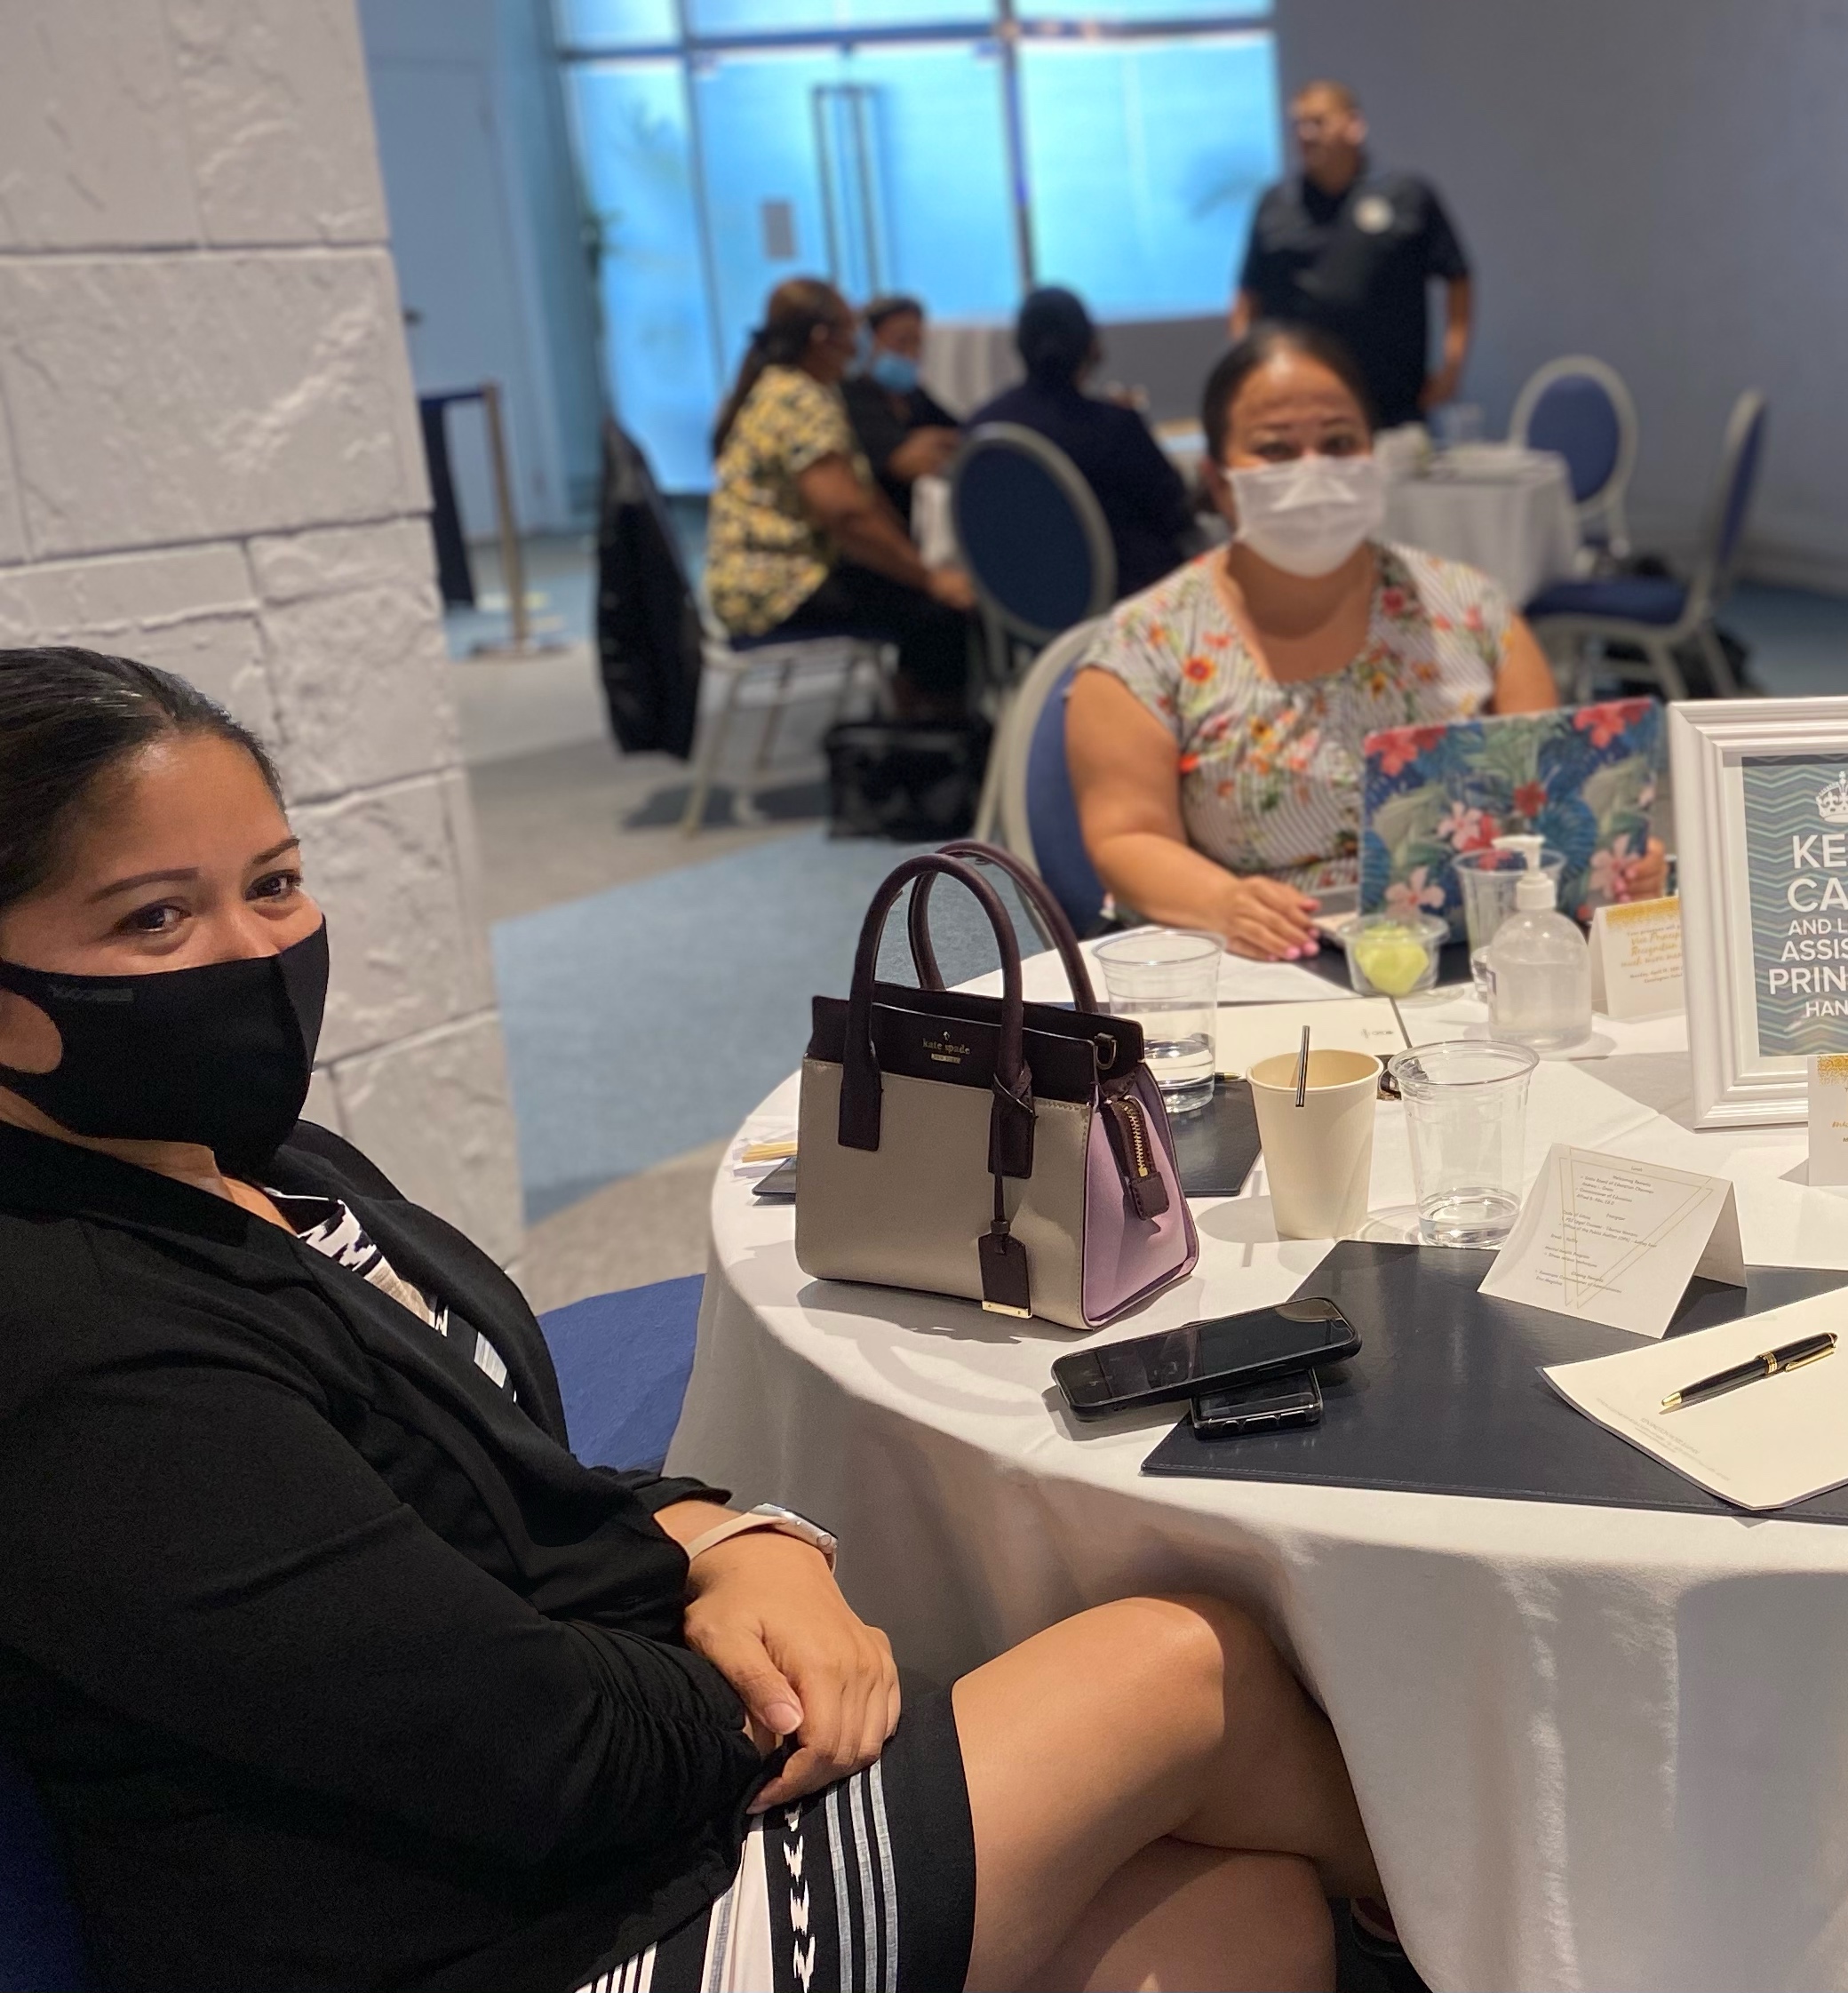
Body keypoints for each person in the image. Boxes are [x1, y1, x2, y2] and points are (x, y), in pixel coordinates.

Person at [0, 648, 1390, 1992]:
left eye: (274, 882)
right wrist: (782, 1685)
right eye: (154, 918)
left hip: (563, 1790)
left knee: (1246, 1920)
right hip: (465, 1917)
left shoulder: (261, 1165)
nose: (255, 951)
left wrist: (737, 1541)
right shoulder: (80, 1349)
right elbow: (525, 1748)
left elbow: (493, 1474)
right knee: (1183, 1667)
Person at [1068, 323, 1557, 962]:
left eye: (1339, 442)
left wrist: (1615, 855)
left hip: (1465, 967)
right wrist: (1223, 902)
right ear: (1218, 480)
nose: (1313, 469)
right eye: (1275, 449)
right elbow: (1126, 837)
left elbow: (1554, 796)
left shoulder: (1474, 613)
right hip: (1248, 962)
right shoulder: (1147, 645)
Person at [703, 278, 976, 715]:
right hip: (781, 588)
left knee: (916, 595)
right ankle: (932, 734)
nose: (858, 345)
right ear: (822, 338)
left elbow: (862, 499)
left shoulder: (783, 388)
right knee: (940, 613)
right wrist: (930, 578)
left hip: (762, 581)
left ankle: (914, 723)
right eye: (852, 331)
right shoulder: (799, 401)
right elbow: (847, 515)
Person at [1231, 80, 1471, 431]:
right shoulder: (1275, 204)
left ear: (1354, 125)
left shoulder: (1407, 194)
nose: (1306, 134)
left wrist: (1452, 365)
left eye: (1318, 122)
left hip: (1392, 401)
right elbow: (1246, 298)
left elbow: (1458, 276)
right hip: (1299, 405)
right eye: (1298, 124)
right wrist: (1245, 374)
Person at [966, 287, 1199, 603]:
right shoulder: (1117, 428)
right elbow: (1176, 512)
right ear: (1092, 346)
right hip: (1126, 606)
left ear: (1018, 345)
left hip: (1021, 604)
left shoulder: (982, 430)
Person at [843, 291, 964, 514]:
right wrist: (939, 443)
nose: (911, 353)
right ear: (866, 343)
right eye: (901, 342)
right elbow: (909, 462)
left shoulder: (912, 394)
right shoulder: (852, 396)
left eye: (917, 343)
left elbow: (967, 434)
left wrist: (935, 439)